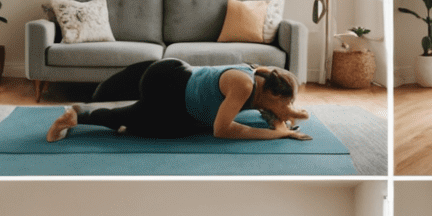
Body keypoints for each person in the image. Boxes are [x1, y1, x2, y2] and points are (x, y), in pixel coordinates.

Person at [46, 60, 311, 144]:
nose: (286, 110)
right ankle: (77, 115)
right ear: (274, 95)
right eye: (285, 103)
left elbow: (271, 114)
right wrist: (275, 135)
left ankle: (93, 113)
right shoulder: (244, 85)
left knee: (189, 127)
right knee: (152, 127)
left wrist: (281, 122)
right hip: (168, 87)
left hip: (178, 76)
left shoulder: (266, 76)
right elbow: (223, 130)